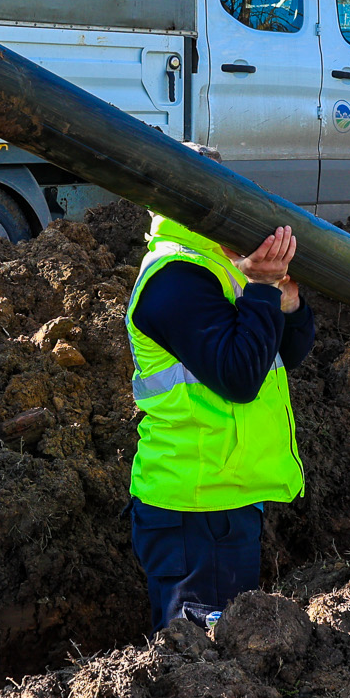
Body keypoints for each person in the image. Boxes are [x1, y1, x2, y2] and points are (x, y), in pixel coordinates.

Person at [124, 183, 317, 630]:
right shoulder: (176, 279)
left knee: (215, 663)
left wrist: (285, 304)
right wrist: (262, 289)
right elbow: (239, 377)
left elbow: (284, 356)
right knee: (202, 673)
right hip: (194, 509)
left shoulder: (219, 265)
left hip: (223, 499)